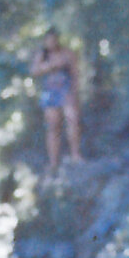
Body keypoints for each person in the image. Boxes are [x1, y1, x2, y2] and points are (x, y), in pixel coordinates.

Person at [30, 31, 85, 177]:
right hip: (50, 93)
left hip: (66, 91)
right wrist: (49, 66)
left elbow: (76, 74)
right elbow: (34, 71)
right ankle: (53, 162)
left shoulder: (67, 53)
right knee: (53, 127)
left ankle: (75, 155)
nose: (51, 43)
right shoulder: (42, 55)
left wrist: (75, 93)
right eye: (48, 40)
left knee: (72, 121)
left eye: (54, 40)